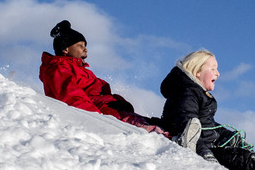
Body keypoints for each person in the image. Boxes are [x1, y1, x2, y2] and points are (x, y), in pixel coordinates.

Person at [40, 20, 168, 136]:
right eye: (80, 45)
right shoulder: (57, 68)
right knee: (147, 129)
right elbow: (71, 96)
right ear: (65, 49)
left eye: (85, 45)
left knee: (152, 122)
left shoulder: (80, 69)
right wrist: (98, 119)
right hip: (101, 113)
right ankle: (166, 136)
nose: (85, 49)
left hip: (109, 109)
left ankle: (172, 131)